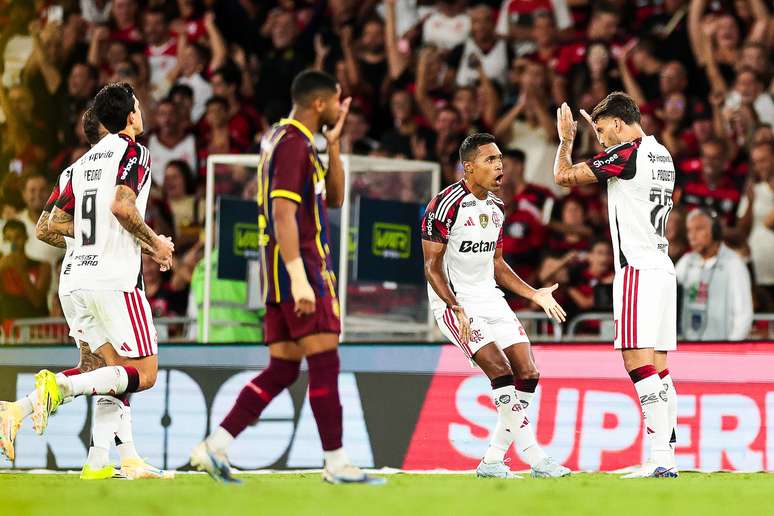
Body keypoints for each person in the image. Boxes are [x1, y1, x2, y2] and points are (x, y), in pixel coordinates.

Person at [190, 70, 382, 485]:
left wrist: (333, 146)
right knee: (325, 361)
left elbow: (334, 198)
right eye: (336, 101)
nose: (340, 108)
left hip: (279, 273)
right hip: (301, 268)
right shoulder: (294, 143)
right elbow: (282, 213)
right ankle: (337, 463)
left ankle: (214, 446)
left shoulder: (286, 140)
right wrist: (298, 277)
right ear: (319, 103)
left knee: (282, 369)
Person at [5, 83, 174, 479]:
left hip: (75, 279)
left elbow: (46, 227)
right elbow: (121, 207)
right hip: (114, 279)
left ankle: (105, 458)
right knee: (144, 372)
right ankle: (57, 390)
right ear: (129, 116)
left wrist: (89, 239)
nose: (141, 111)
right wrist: (155, 245)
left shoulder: (77, 167)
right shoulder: (134, 151)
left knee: (107, 370)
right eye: (138, 106)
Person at [422, 132, 570, 479]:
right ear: (469, 167)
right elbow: (431, 267)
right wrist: (454, 306)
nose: (500, 165)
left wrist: (533, 294)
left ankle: (492, 460)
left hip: (489, 296)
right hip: (455, 303)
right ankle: (536, 458)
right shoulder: (444, 206)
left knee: (528, 373)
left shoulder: (497, 207)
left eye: (500, 158)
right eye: (490, 160)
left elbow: (497, 264)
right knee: (501, 371)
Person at [552, 92, 678, 478]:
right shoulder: (662, 154)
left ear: (620, 124)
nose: (602, 136)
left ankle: (660, 458)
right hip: (663, 268)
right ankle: (667, 456)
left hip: (637, 270)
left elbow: (563, 177)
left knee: (636, 361)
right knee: (659, 367)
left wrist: (566, 141)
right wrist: (604, 143)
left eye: (604, 129)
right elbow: (622, 166)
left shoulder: (626, 155)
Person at [676, 209, 753, 340]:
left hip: (720, 346)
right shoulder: (686, 262)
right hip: (687, 345)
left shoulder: (733, 264)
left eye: (699, 229)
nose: (692, 236)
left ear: (716, 232)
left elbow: (743, 314)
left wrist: (731, 347)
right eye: (689, 230)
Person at [0, 219, 51, 320]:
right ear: (4, 241)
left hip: (36, 325)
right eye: (9, 239)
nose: (13, 243)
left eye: (17, 237)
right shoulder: (2, 267)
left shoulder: (42, 267)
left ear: (25, 238)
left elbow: (37, 302)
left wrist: (21, 272)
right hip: (9, 326)